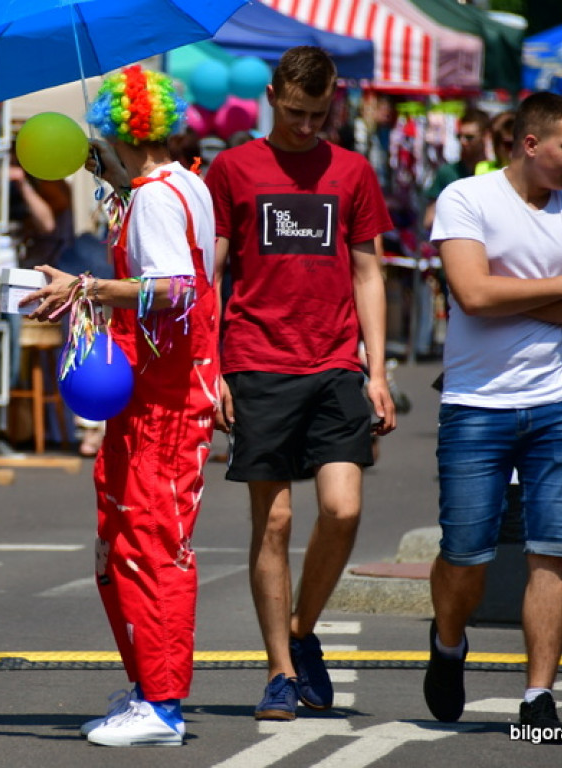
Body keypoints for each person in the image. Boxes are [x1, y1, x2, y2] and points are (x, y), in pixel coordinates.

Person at [26, 65, 219, 747]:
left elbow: (173, 289)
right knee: (122, 537)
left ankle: (163, 704)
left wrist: (87, 287)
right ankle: (147, 688)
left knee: (151, 543)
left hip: (165, 401)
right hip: (154, 394)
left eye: (101, 137)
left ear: (117, 133)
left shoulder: (160, 198)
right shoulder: (179, 183)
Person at [203, 46, 396, 722]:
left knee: (343, 510)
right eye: (294, 113)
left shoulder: (352, 170)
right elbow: (213, 273)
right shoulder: (231, 168)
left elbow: (369, 272)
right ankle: (281, 674)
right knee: (276, 519)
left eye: (319, 114)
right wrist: (213, 365)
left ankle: (301, 629)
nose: (307, 126)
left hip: (336, 361)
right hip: (257, 360)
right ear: (271, 96)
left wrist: (377, 371)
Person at [424, 92, 562, 736]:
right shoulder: (466, 198)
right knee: (466, 554)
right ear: (530, 145)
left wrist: (507, 293)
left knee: (554, 554)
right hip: (477, 402)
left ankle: (538, 695)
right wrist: (561, 287)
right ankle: (449, 642)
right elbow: (471, 295)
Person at [422, 108, 491, 231]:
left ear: (485, 136)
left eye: (469, 137)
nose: (463, 142)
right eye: (459, 136)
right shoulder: (447, 172)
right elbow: (429, 219)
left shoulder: (496, 171)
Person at [475, 109, 515, 176]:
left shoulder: (531, 171)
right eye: (509, 145)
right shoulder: (483, 169)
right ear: (496, 145)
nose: (514, 149)